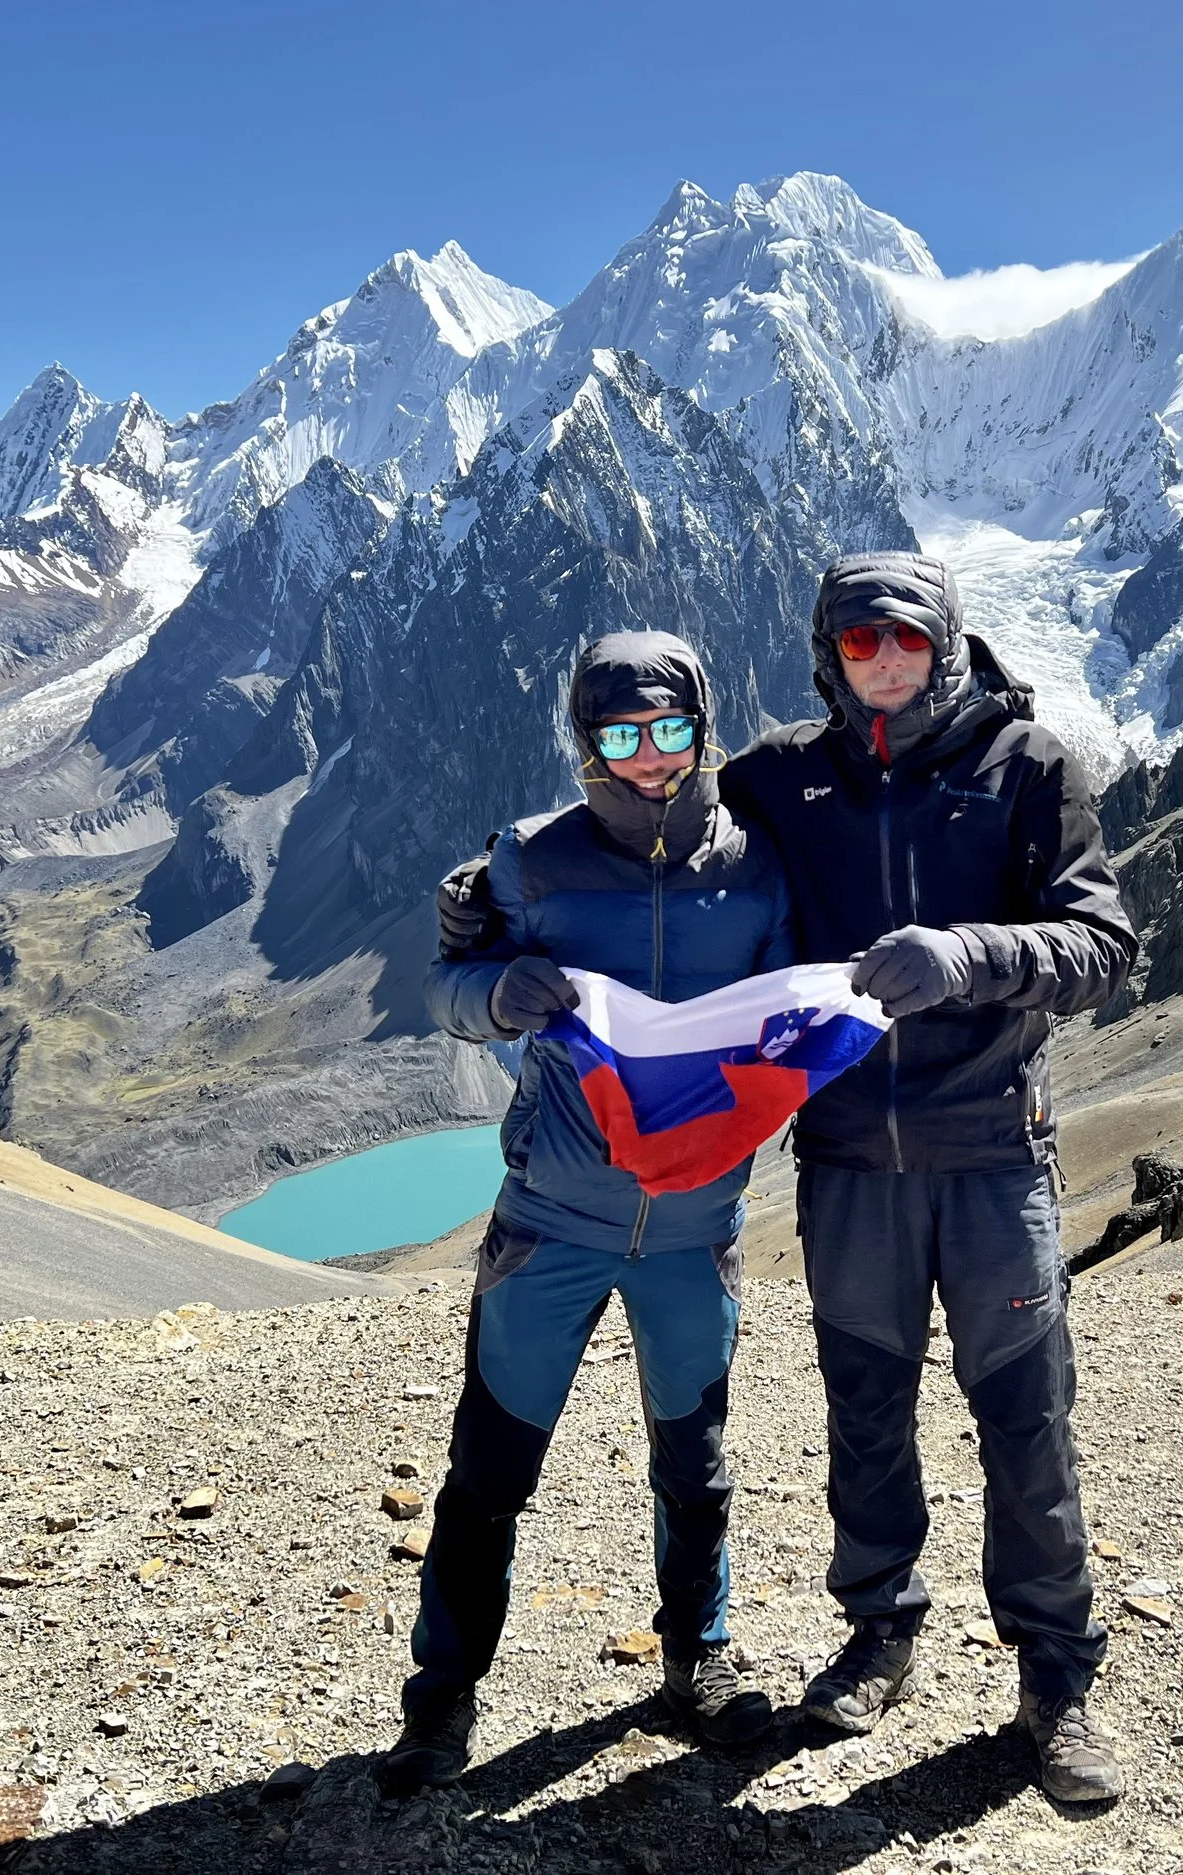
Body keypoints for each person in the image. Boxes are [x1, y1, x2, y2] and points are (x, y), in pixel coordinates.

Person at [437, 552, 1136, 1803]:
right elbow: (574, 881)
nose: (882, 663)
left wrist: (972, 955)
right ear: (826, 654)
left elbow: (1101, 943)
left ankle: (1057, 1683)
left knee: (1024, 1417)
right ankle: (879, 1634)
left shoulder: (1025, 770)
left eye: (905, 641)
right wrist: (474, 939)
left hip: (988, 1148)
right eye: (857, 644)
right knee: (864, 1412)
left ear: (947, 643)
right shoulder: (776, 783)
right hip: (846, 1158)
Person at [384, 630, 794, 1799]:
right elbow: (449, 989)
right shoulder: (527, 862)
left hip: (692, 1227)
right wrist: (491, 993)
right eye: (621, 736)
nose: (650, 759)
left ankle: (696, 1665)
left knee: (695, 1467)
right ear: (584, 744)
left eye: (671, 732)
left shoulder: (756, 870)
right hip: (551, 1223)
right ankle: (440, 1705)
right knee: (489, 1474)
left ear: (702, 730)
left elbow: (789, 1005)